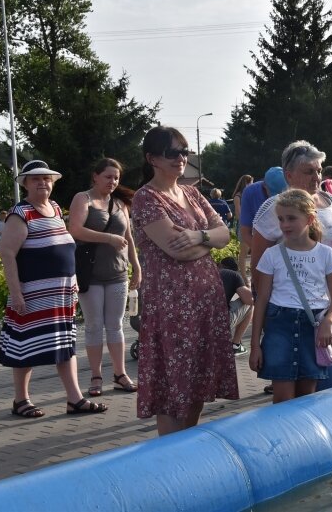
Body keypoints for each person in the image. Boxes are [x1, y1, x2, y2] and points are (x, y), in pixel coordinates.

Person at [131, 126, 238, 436]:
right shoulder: (146, 198)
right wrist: (207, 240)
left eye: (184, 151)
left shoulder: (191, 192)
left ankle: (187, 452)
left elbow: (224, 235)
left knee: (196, 384)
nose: (181, 158)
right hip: (172, 305)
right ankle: (170, 460)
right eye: (172, 152)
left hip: (204, 302)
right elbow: (176, 250)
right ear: (152, 158)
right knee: (173, 387)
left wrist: (197, 236)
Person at [0, 160, 107, 417]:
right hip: (33, 295)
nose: (42, 183)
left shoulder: (55, 209)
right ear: (25, 183)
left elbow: (64, 247)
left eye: (46, 179)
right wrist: (16, 293)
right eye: (36, 179)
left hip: (61, 295)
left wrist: (74, 279)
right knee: (27, 346)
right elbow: (7, 253)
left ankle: (75, 399)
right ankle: (20, 400)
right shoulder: (21, 213)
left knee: (64, 345)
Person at [252, 141, 332, 392]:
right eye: (309, 171)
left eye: (319, 170)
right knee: (308, 385)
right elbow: (260, 265)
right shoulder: (275, 207)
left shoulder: (329, 201)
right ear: (289, 174)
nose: (317, 176)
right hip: (299, 310)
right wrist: (269, 315)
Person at [249, 189, 332, 404]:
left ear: (309, 218)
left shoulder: (325, 254)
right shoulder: (272, 255)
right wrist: (255, 345)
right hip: (280, 326)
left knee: (306, 398)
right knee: (282, 398)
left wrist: (329, 321)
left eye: (291, 218)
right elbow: (261, 300)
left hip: (313, 327)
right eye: (281, 219)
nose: (285, 224)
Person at [68, 158, 140, 397]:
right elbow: (75, 230)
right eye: (108, 176)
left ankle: (120, 375)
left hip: (118, 274)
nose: (113, 181)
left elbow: (129, 239)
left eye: (116, 177)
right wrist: (108, 238)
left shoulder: (120, 203)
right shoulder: (83, 198)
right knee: (94, 326)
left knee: (116, 326)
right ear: (95, 176)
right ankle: (96, 376)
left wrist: (137, 268)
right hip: (91, 275)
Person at [238, 167, 287, 278]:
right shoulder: (250, 192)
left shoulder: (292, 192)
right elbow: (245, 232)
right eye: (273, 194)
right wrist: (265, 254)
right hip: (260, 247)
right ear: (264, 185)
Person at [218, 256, 253, 354]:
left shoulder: (208, 272)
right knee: (250, 305)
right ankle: (236, 345)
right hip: (220, 322)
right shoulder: (234, 275)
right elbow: (249, 300)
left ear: (220, 265)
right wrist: (248, 285)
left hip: (198, 321)